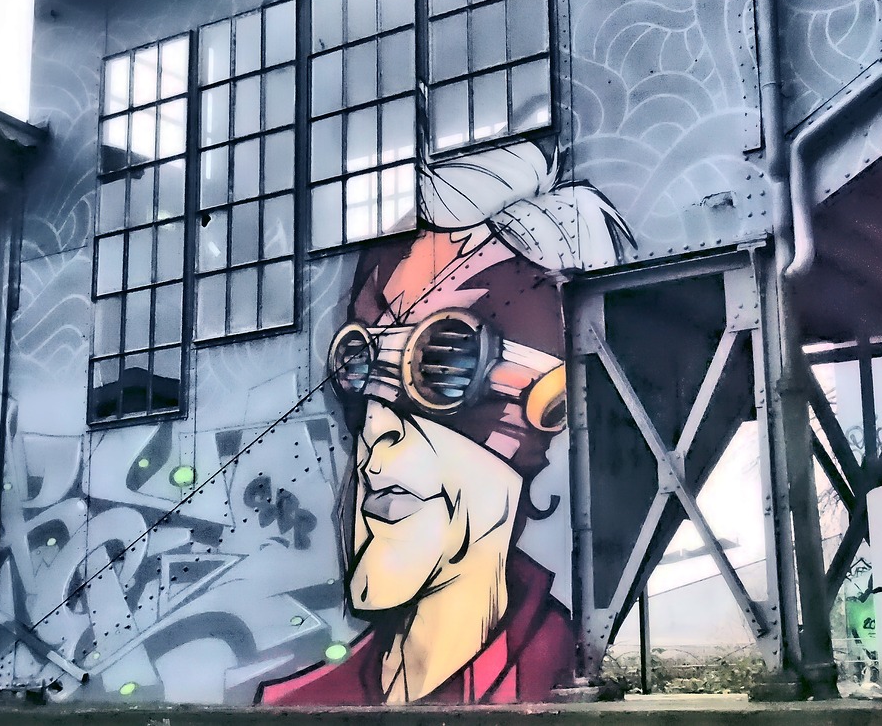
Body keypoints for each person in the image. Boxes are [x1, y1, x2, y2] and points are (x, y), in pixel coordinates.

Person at [258, 142, 630, 705]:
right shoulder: (292, 706)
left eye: (442, 363)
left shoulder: (551, 670)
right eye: (359, 368)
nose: (375, 433)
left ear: (548, 403)